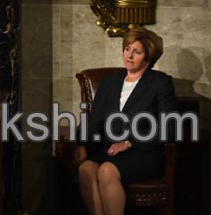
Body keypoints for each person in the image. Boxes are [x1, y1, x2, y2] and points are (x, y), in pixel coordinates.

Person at [75, 27, 176, 215]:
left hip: (142, 151)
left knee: (106, 171)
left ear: (148, 56)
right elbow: (94, 120)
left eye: (137, 52)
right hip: (107, 150)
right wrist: (83, 145)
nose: (129, 55)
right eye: (127, 49)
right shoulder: (110, 82)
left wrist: (129, 142)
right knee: (86, 169)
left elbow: (168, 129)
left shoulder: (160, 83)